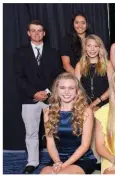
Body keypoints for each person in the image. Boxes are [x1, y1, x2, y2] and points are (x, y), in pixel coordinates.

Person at [14, 20, 62, 174]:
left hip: (51, 97)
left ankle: (55, 158)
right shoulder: (20, 52)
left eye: (39, 30)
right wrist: (34, 93)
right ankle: (32, 162)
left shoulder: (53, 52)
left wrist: (47, 92)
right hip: (30, 99)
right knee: (31, 132)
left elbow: (58, 75)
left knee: (54, 130)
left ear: (44, 33)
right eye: (33, 30)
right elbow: (19, 77)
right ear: (28, 33)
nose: (36, 33)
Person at [40, 73, 96, 174]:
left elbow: (84, 146)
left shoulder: (86, 111)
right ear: (56, 90)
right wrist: (57, 162)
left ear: (77, 91)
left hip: (82, 159)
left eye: (71, 88)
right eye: (62, 87)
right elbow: (51, 143)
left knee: (62, 174)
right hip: (58, 158)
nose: (66, 92)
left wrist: (63, 166)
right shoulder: (48, 111)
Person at [75, 34, 114, 112]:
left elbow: (113, 87)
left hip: (104, 104)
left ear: (100, 48)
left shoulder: (108, 64)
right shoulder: (79, 65)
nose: (92, 49)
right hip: (84, 105)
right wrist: (86, 105)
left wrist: (97, 102)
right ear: (85, 48)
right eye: (89, 46)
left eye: (96, 46)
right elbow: (76, 88)